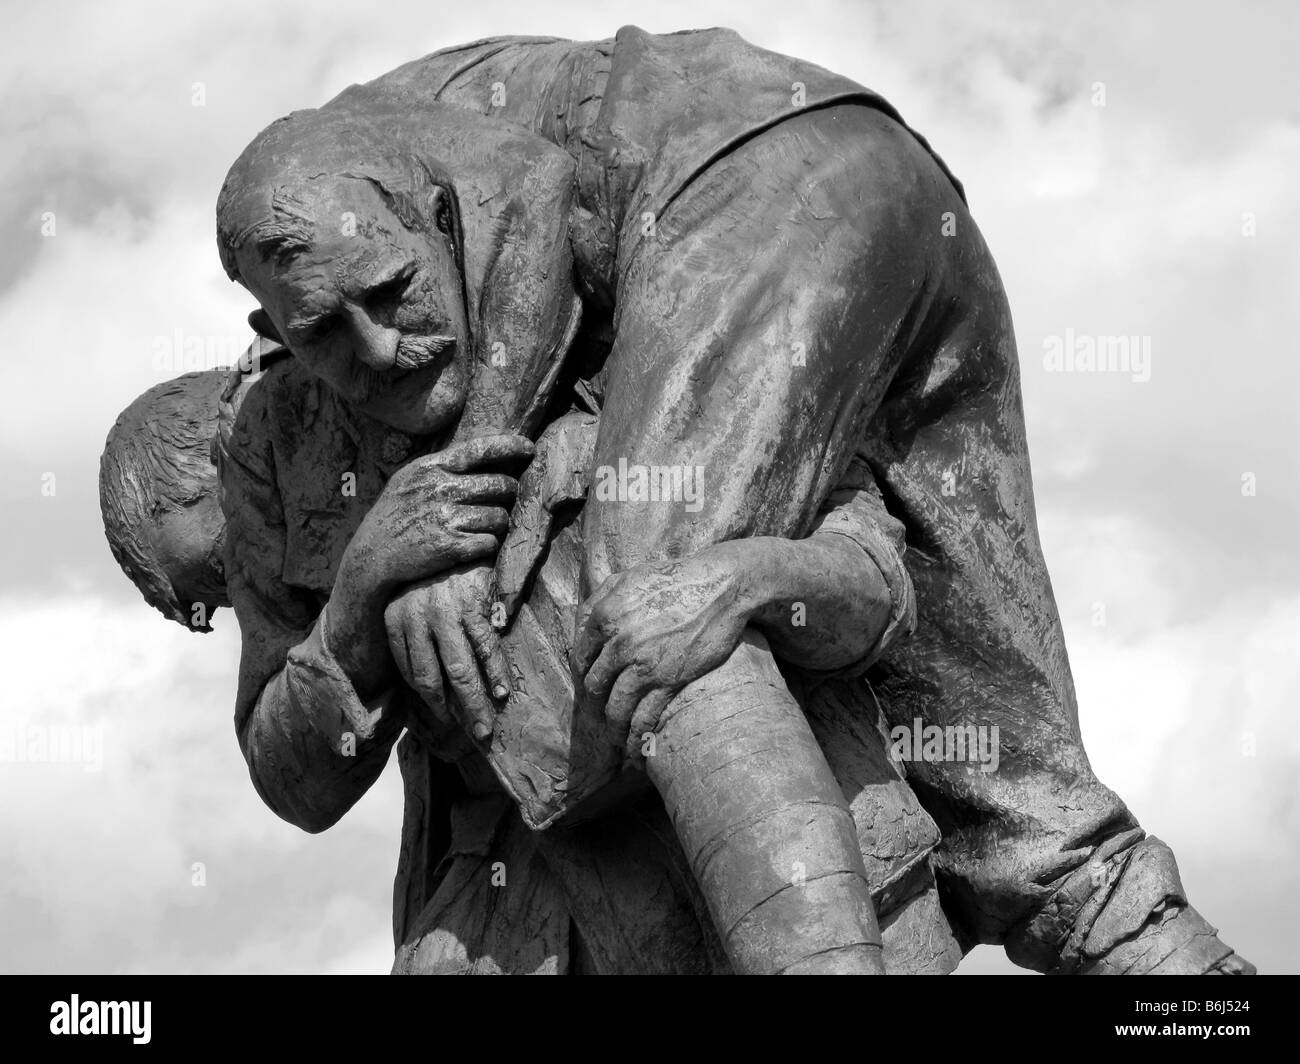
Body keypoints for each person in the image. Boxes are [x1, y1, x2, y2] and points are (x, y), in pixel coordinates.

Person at [212, 27, 1252, 974]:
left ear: (439, 217)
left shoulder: (424, 159)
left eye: (394, 291)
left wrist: (461, 520)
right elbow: (292, 764)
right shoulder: (289, 444)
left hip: (756, 183)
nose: (379, 348)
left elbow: (530, 187)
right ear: (270, 332)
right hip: (878, 192)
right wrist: (372, 580)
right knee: (1003, 751)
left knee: (654, 597)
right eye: (320, 333)